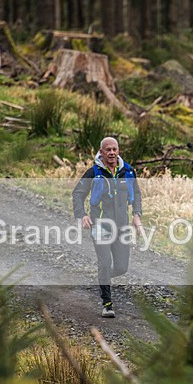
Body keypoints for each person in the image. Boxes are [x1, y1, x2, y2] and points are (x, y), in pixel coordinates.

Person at [73, 136, 143, 318]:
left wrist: (137, 215)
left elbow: (137, 194)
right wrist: (82, 215)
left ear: (118, 151)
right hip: (100, 226)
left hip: (122, 227)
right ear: (101, 152)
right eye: (108, 150)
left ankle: (103, 279)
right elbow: (78, 194)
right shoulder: (94, 173)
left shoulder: (128, 171)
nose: (111, 152)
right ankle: (107, 304)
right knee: (104, 263)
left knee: (121, 268)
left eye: (114, 149)